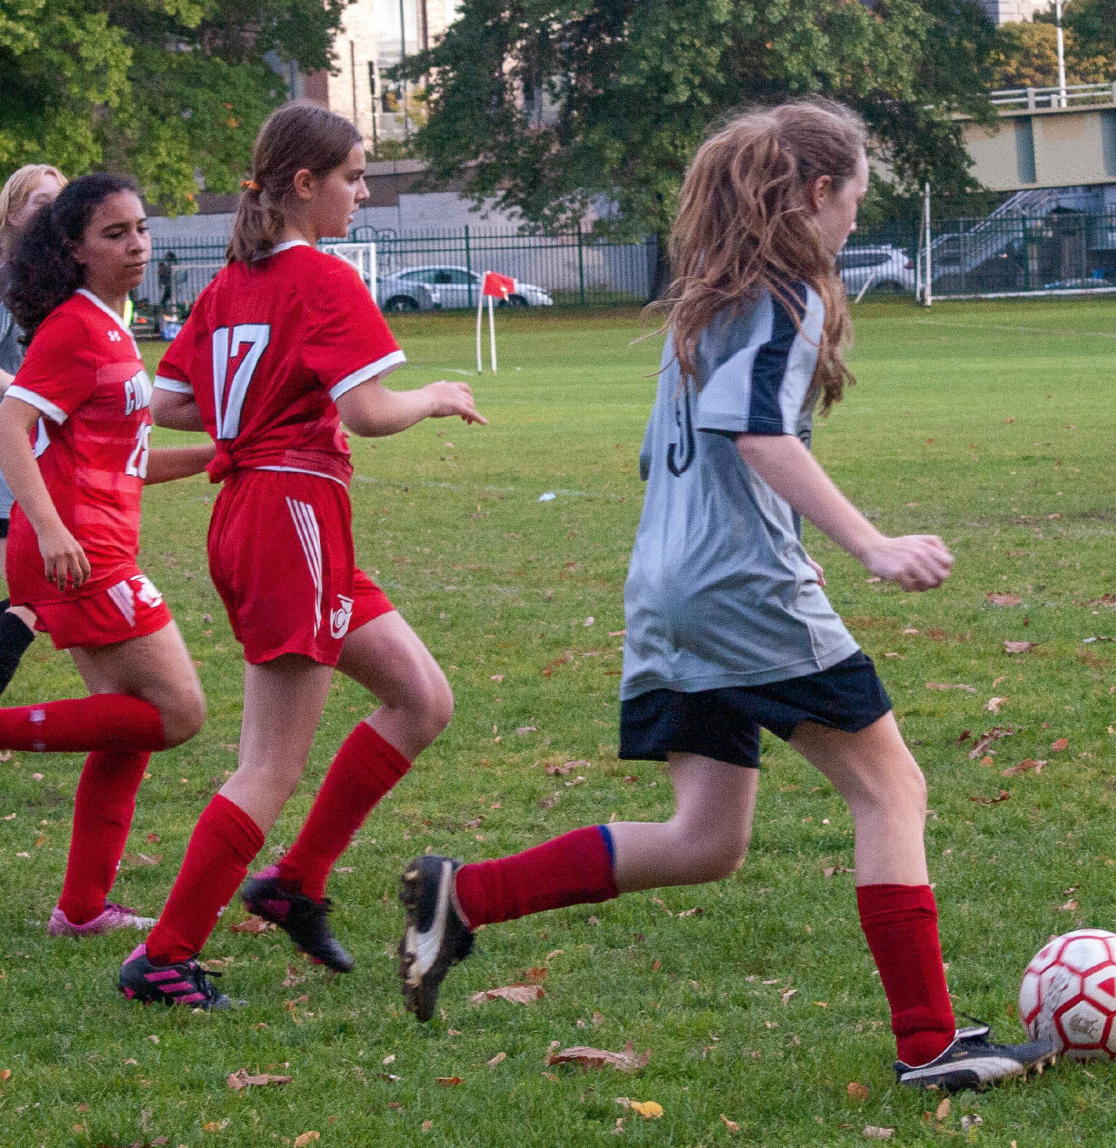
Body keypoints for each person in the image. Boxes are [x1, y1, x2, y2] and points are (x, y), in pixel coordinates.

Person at [393, 99, 1058, 1093]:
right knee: (890, 787)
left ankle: (466, 893)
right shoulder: (783, 296)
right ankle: (929, 1040)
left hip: (667, 589)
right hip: (735, 589)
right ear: (816, 193)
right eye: (853, 202)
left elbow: (700, 456)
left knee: (706, 837)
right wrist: (869, 542)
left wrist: (768, 539)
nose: (853, 226)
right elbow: (757, 434)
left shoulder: (707, 303)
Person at [120, 101, 484, 1008]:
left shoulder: (228, 286)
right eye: (354, 177)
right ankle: (162, 957)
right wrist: (435, 394)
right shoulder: (319, 279)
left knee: (422, 698)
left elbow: (168, 405)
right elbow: (367, 412)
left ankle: (295, 882)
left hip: (257, 508)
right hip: (292, 515)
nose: (363, 192)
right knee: (271, 761)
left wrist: (254, 405)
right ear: (303, 184)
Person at [0, 174, 214, 939]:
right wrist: (52, 528)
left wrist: (221, 458)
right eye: (114, 233)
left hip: (93, 544)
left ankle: (83, 909)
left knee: (127, 732)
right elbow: (10, 421)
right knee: (178, 712)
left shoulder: (112, 323)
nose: (137, 245)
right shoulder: (74, 328)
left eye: (141, 228)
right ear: (74, 248)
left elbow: (131, 457)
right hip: (82, 555)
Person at [0, 163, 68, 693]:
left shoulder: (38, 275)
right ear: (13, 210)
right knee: (33, 595)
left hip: (20, 442)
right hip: (8, 444)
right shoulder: (4, 273)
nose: (52, 212)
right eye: (40, 202)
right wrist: (32, 394)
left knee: (31, 594)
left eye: (59, 202)